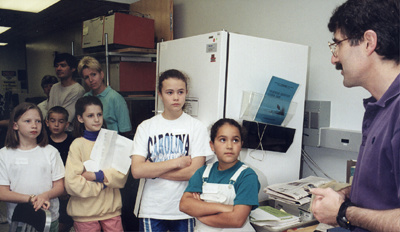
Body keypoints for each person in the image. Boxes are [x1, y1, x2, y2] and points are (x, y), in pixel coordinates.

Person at [310, 0, 400, 231]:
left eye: (337, 45)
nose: (334, 58)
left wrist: (342, 212)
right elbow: (385, 187)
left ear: (369, 42)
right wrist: (344, 195)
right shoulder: (380, 107)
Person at [131, 69, 213, 232]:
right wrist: (177, 162)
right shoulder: (146, 127)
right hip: (152, 208)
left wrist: (153, 170)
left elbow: (194, 172)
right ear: (160, 94)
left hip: (185, 208)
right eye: (170, 92)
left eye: (180, 92)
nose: (176, 97)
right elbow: (137, 170)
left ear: (186, 93)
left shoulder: (196, 127)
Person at [180, 118, 260, 231]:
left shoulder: (247, 176)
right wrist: (226, 208)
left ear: (241, 145)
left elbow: (237, 220)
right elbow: (184, 205)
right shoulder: (202, 173)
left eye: (235, 140)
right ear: (212, 145)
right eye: (223, 140)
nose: (229, 146)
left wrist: (200, 213)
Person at [64, 96, 128, 232]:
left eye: (99, 114)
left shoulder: (113, 141)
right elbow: (72, 183)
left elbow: (122, 174)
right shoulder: (77, 145)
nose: (97, 119)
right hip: (84, 214)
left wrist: (96, 176)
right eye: (90, 115)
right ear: (80, 118)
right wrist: (103, 183)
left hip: (111, 210)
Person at [0, 102, 65, 231]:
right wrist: (31, 199)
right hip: (19, 220)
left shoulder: (50, 151)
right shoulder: (4, 154)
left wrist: (45, 196)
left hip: (48, 218)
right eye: (28, 121)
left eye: (38, 121)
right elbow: (2, 192)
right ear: (15, 125)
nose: (34, 125)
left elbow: (60, 187)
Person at [77, 56, 132, 137]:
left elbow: (125, 130)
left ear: (101, 74)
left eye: (93, 74)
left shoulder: (115, 98)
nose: (91, 80)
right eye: (86, 77)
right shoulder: (86, 97)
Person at [46, 106, 74, 232]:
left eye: (61, 121)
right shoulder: (43, 142)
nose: (56, 124)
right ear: (47, 122)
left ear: (67, 124)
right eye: (52, 121)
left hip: (69, 187)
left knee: (66, 221)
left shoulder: (73, 142)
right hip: (50, 188)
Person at [47, 53, 85, 129]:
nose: (58, 68)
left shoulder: (78, 90)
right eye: (57, 66)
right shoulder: (54, 87)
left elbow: (66, 118)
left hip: (68, 133)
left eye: (63, 65)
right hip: (52, 131)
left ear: (73, 68)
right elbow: (49, 112)